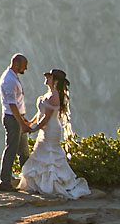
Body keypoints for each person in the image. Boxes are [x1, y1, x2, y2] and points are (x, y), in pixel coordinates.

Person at [17, 68, 92, 199]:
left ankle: (52, 185)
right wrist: (30, 123)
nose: (46, 77)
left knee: (50, 155)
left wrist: (33, 129)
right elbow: (40, 113)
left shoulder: (54, 96)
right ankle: (42, 184)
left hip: (51, 129)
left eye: (49, 76)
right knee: (43, 154)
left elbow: (46, 118)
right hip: (45, 129)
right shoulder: (48, 94)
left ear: (55, 81)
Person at [0, 53, 32, 191]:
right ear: (16, 63)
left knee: (23, 151)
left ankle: (28, 180)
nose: (26, 68)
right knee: (11, 149)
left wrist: (23, 119)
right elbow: (12, 105)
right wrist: (22, 123)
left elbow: (16, 103)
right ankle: (4, 182)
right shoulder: (9, 80)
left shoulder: (12, 76)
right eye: (24, 65)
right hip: (13, 119)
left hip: (16, 117)